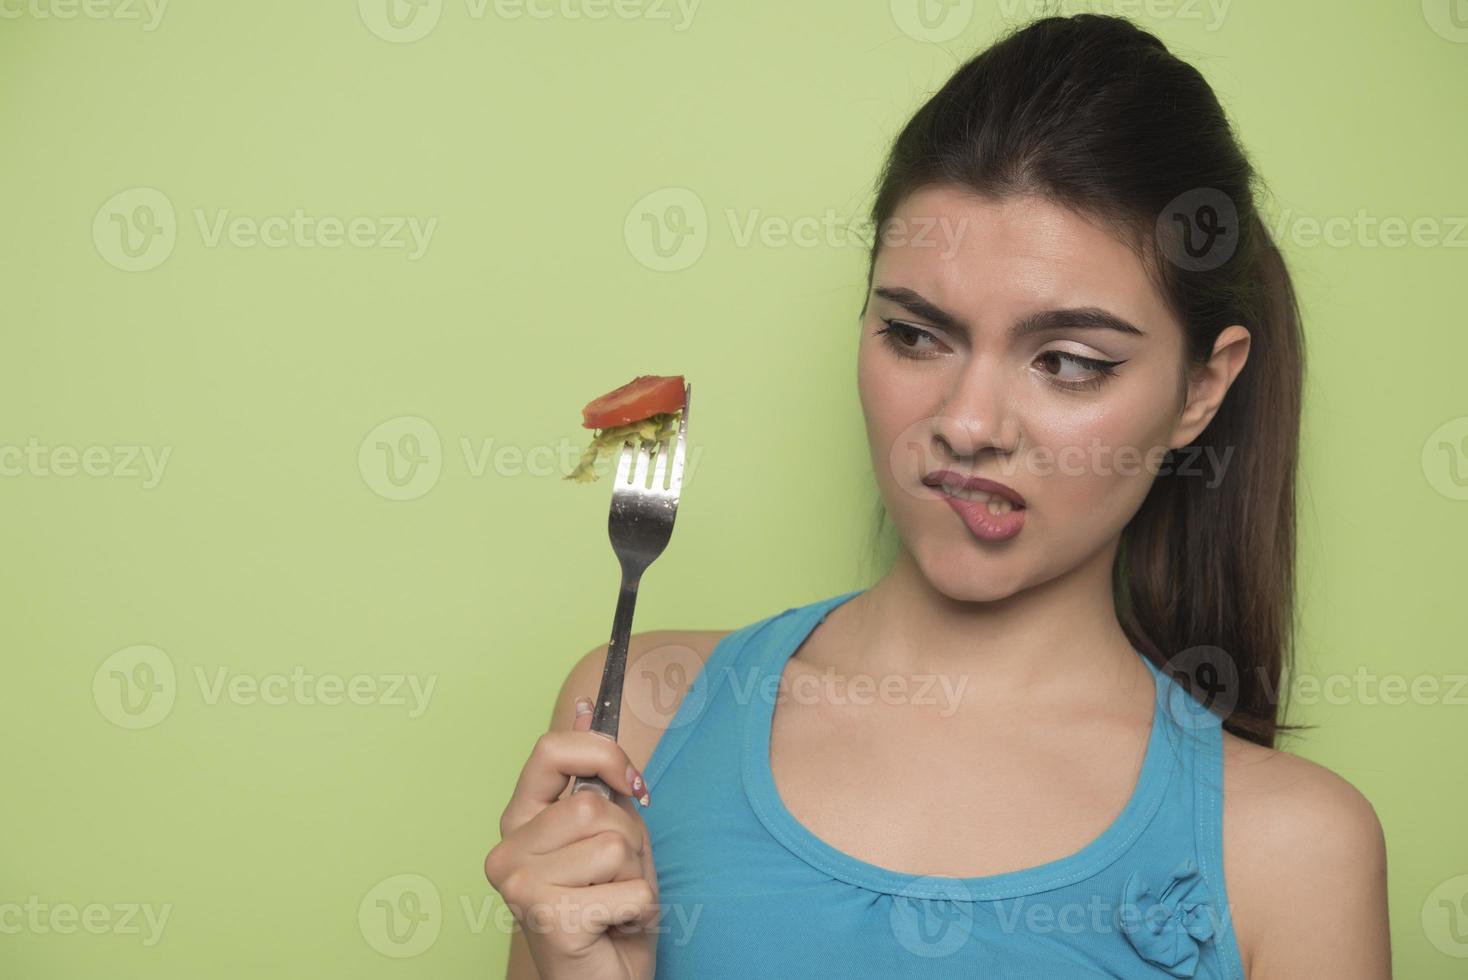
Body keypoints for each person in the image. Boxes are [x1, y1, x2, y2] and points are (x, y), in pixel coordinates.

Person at [485, 13, 1391, 979]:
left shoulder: (1293, 853)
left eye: (1069, 362)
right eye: (917, 336)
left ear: (1202, 389)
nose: (967, 422)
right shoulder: (632, 720)